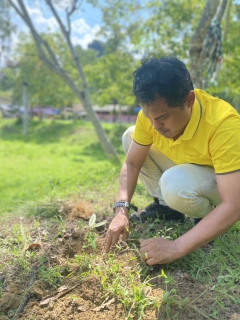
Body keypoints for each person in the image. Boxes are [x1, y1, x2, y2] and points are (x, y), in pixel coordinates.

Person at [102, 57, 240, 265]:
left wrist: (176, 246)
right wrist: (122, 210)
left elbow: (234, 204)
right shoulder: (151, 116)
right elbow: (132, 163)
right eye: (148, 116)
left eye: (163, 117)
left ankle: (206, 216)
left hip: (224, 186)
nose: (155, 125)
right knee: (131, 137)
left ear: (189, 100)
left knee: (175, 183)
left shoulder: (223, 124)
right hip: (189, 170)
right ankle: (168, 208)